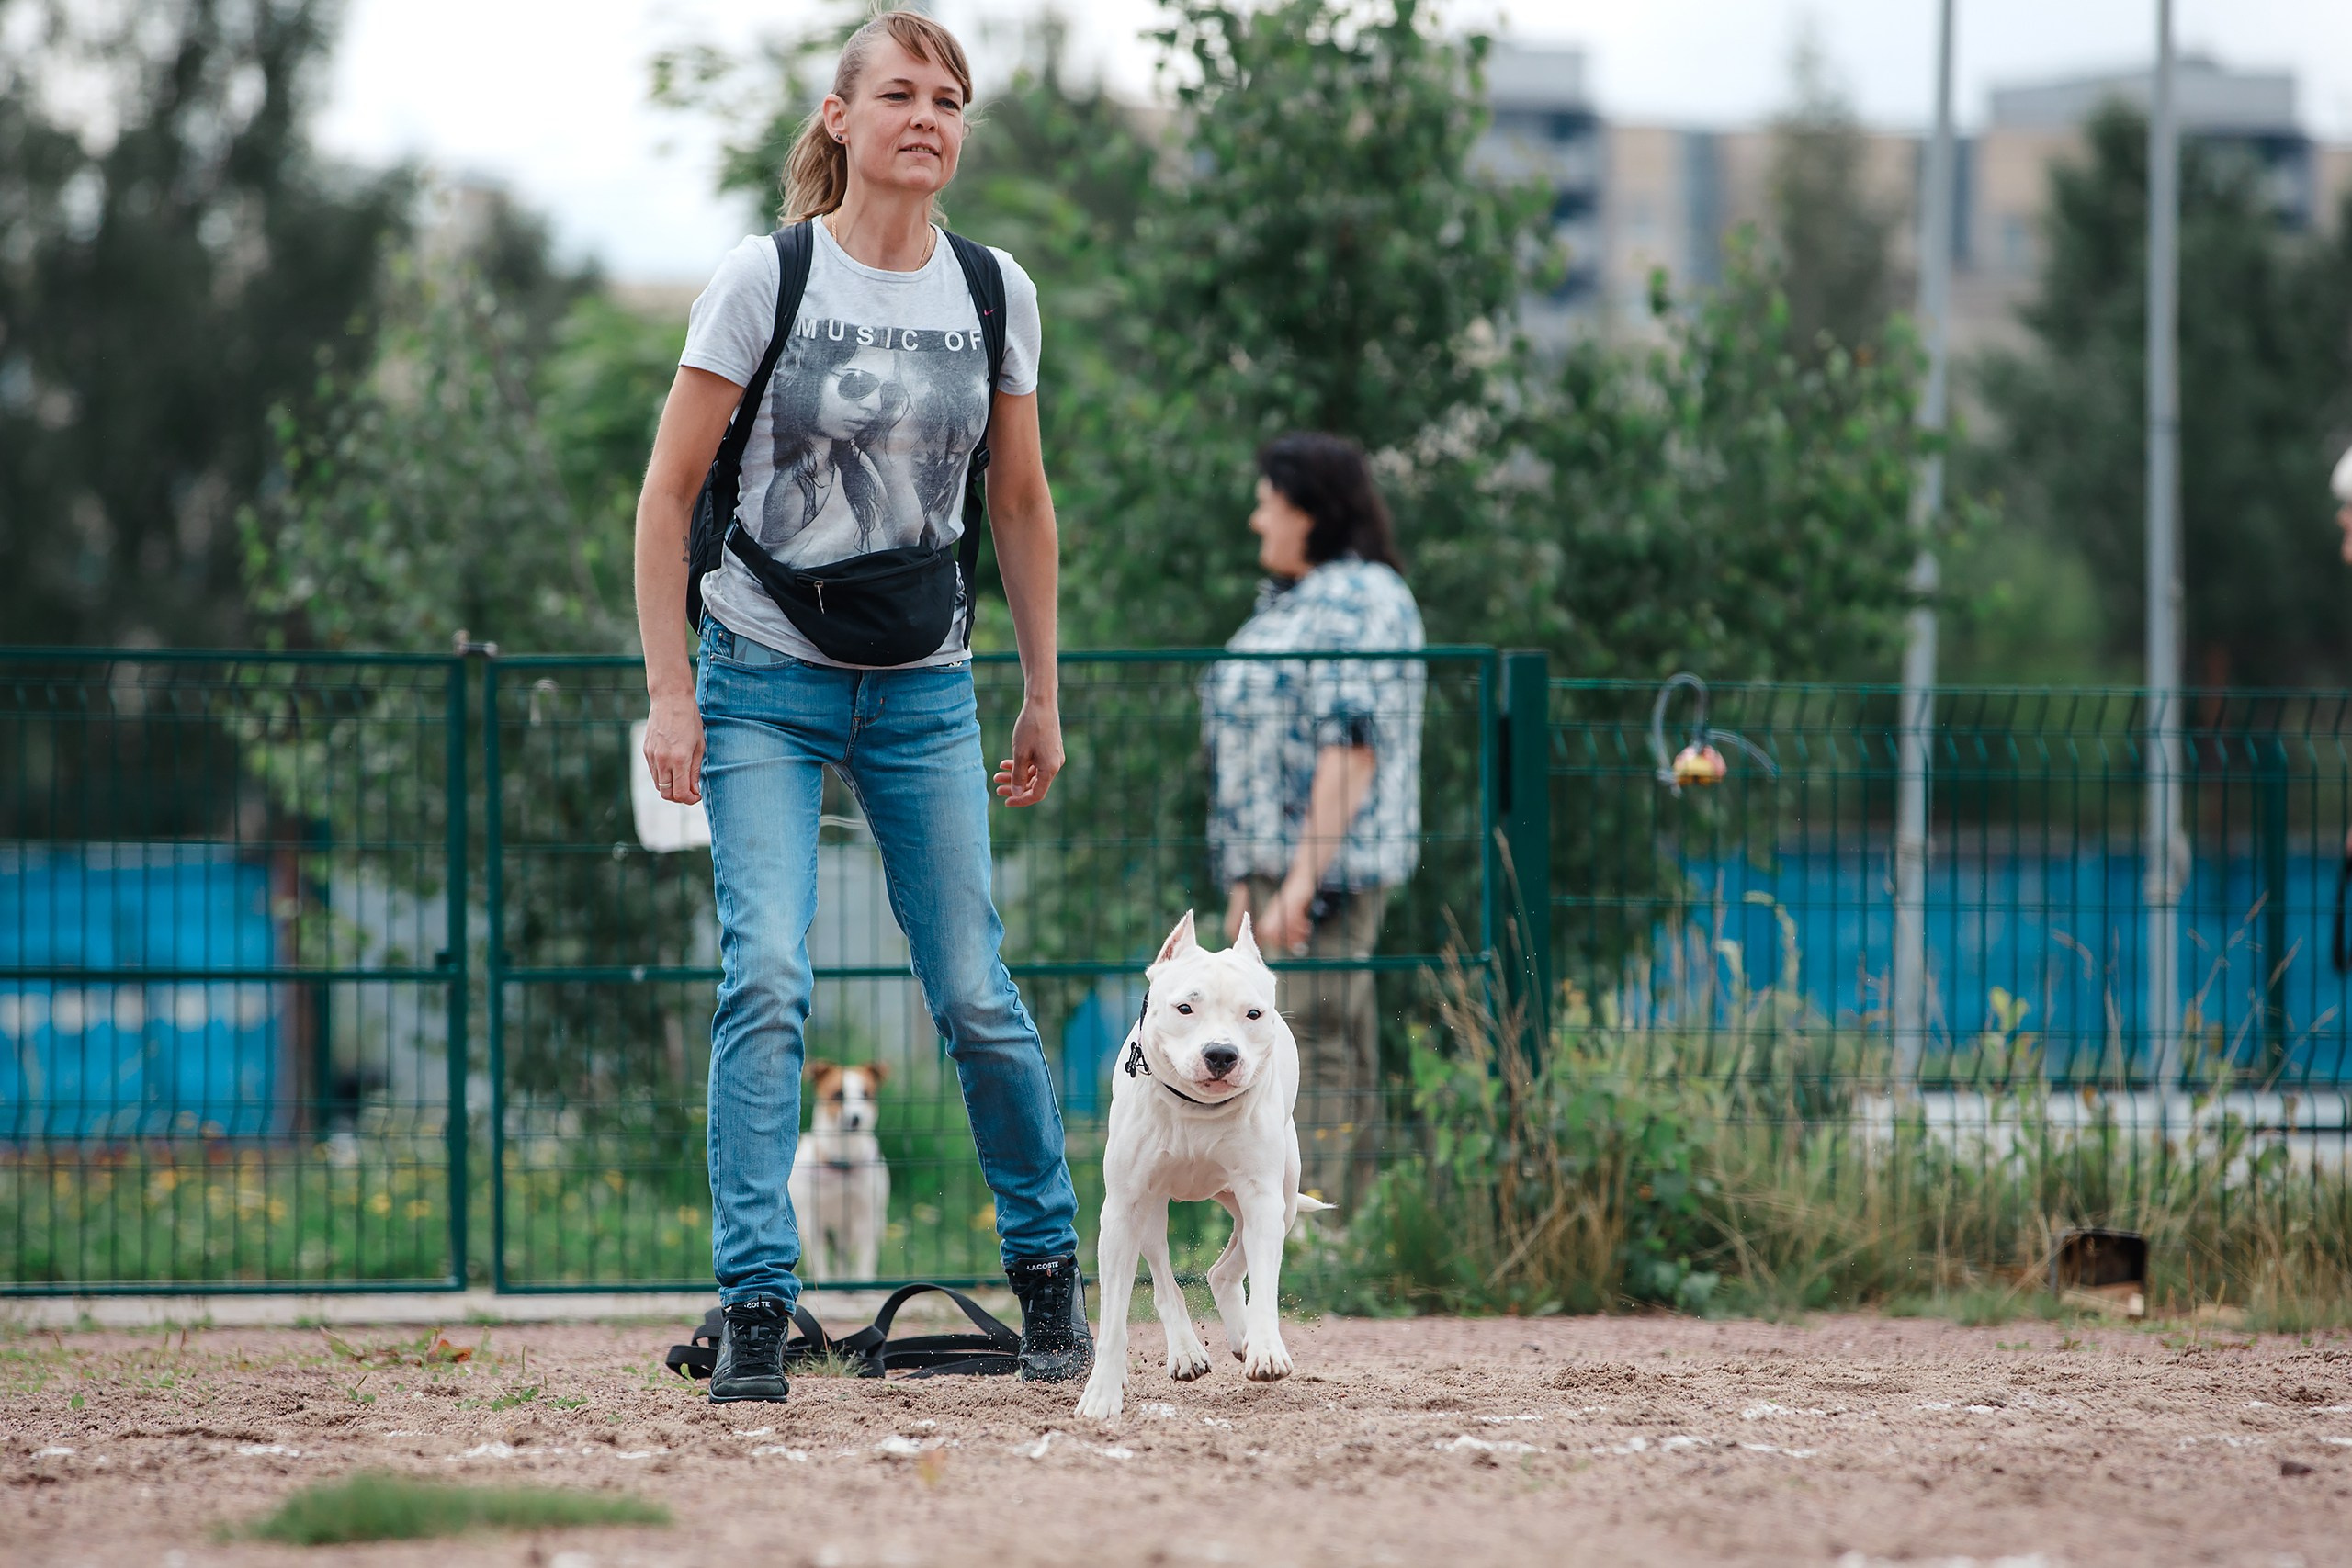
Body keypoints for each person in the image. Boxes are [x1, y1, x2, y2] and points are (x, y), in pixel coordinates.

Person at [631, 11, 1088, 1403]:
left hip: (924, 689)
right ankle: (758, 1300)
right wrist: (669, 692)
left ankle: (1054, 1274)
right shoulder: (762, 280)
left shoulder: (993, 290)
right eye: (899, 92)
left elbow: (1015, 498)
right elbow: (664, 498)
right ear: (840, 118)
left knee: (973, 991)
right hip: (760, 676)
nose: (928, 116)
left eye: (950, 97)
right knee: (766, 973)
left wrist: (1040, 691)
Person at [1201, 434, 1425, 1213]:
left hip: (1328, 868)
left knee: (1317, 1040)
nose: (1258, 520)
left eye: (1269, 501)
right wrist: (1245, 883)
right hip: (1270, 869)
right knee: (1293, 1038)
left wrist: (1302, 878)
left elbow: (1353, 745)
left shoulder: (1363, 599)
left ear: (1310, 509)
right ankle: (1298, 1223)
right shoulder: (1295, 602)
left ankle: (1324, 1228)